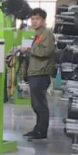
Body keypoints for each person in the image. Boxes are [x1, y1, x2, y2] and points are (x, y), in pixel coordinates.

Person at [21, 8, 56, 140]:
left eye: (37, 19)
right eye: (32, 19)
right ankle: (38, 129)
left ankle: (42, 131)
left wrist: (29, 49)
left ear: (43, 20)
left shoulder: (47, 33)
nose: (34, 22)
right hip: (35, 73)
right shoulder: (38, 34)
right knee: (36, 104)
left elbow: (46, 52)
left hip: (41, 73)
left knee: (40, 104)